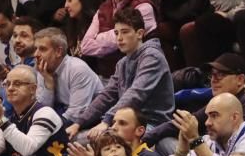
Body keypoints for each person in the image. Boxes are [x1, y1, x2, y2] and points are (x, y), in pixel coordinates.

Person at [70, 8, 175, 143]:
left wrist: (108, 121)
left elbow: (135, 94)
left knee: (98, 142)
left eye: (125, 32)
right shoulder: (122, 63)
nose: (119, 38)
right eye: (116, 33)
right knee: (73, 140)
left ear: (140, 33)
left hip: (152, 124)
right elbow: (107, 96)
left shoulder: (152, 56)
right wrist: (78, 123)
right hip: (126, 121)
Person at [80, 0, 158, 80]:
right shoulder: (103, 8)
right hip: (107, 76)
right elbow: (85, 46)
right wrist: (112, 44)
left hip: (139, 74)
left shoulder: (144, 7)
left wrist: (100, 38)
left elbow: (127, 39)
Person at [33, 26, 103, 125]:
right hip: (63, 115)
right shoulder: (44, 69)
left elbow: (76, 115)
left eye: (42, 49)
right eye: (35, 49)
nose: (36, 54)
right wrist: (48, 83)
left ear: (58, 52)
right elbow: (43, 109)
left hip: (91, 121)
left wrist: (48, 128)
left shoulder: (77, 69)